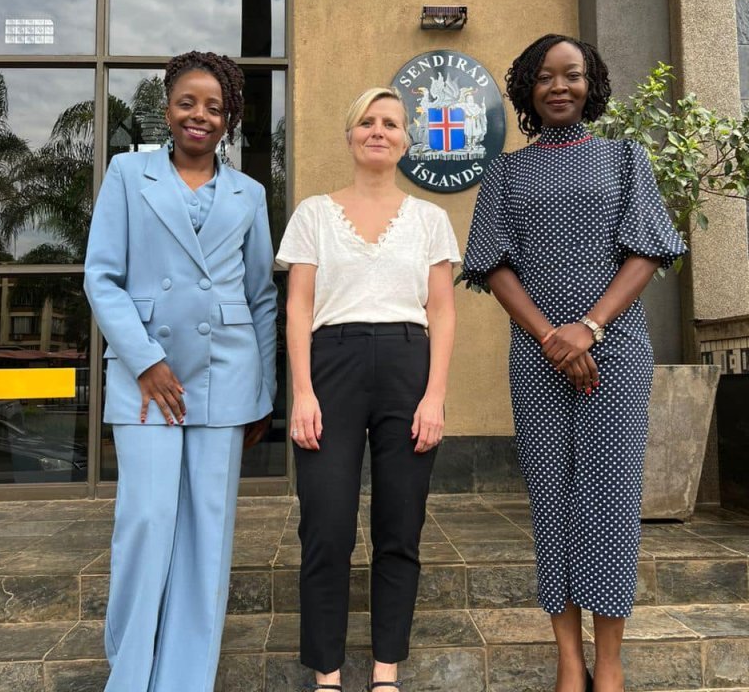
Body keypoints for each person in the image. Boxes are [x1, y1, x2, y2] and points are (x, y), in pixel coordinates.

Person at [460, 34, 686, 692]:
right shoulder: (505, 172)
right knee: (552, 499)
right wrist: (552, 338)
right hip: (536, 358)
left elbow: (646, 251)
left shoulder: (624, 158)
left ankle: (609, 662)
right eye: (546, 77)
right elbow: (491, 265)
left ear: (592, 85)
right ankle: (568, 657)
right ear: (528, 87)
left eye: (573, 76)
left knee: (610, 501)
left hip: (615, 349)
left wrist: (587, 329)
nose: (560, 87)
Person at [84, 50, 277, 692]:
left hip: (226, 374)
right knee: (143, 522)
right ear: (167, 107)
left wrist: (263, 393)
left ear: (230, 119)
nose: (201, 115)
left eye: (215, 107)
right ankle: (131, 676)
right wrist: (146, 361)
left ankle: (186, 681)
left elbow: (260, 297)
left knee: (207, 535)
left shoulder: (249, 192)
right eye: (188, 102)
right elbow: (102, 278)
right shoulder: (126, 173)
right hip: (147, 379)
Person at [276, 87, 459, 692]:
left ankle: (386, 670)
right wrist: (302, 392)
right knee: (325, 524)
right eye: (367, 122)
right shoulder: (313, 214)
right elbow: (298, 309)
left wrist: (433, 397)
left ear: (407, 140)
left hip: (409, 368)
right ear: (349, 135)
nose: (378, 131)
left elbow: (443, 312)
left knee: (399, 526)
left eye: (391, 123)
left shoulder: (431, 220)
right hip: (332, 366)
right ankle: (327, 673)